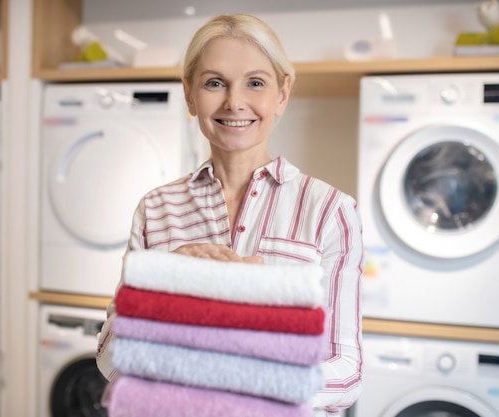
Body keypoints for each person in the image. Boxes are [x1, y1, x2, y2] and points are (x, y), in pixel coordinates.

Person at [96, 13, 363, 416]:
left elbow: (347, 371)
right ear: (190, 94)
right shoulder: (156, 209)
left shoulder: (330, 211)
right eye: (214, 83)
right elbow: (109, 354)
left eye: (255, 83)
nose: (234, 102)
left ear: (282, 93)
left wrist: (230, 395)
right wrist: (166, 279)